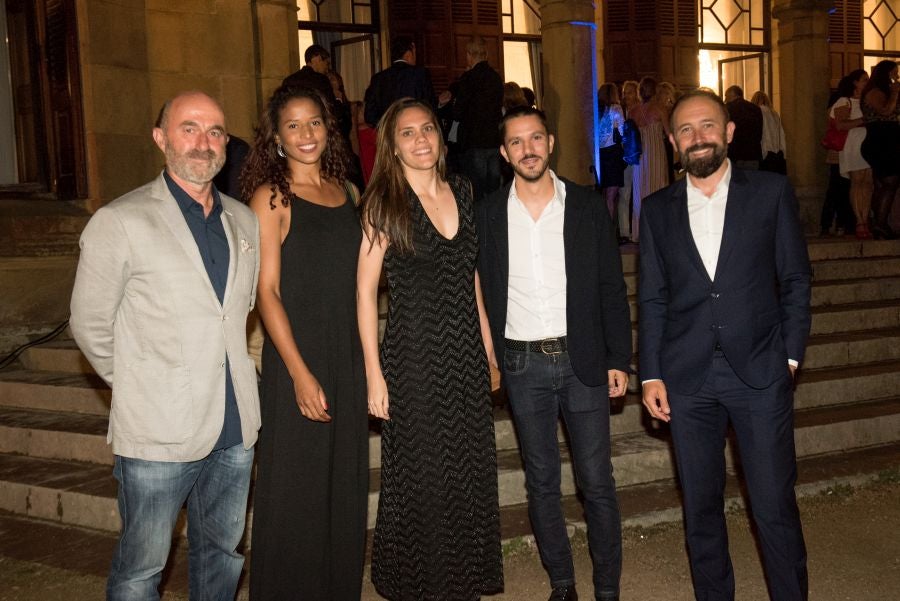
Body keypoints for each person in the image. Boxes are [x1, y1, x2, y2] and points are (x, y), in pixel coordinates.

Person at [69, 91, 261, 600]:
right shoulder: (120, 221)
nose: (204, 142)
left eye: (216, 131)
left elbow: (241, 317)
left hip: (235, 429)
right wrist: (144, 384)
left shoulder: (244, 221)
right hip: (156, 432)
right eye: (189, 128)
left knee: (222, 554)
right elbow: (89, 324)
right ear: (161, 138)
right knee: (141, 571)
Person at [640, 89, 811, 601]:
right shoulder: (656, 209)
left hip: (760, 373)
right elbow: (651, 297)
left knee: (774, 505)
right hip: (688, 379)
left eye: (708, 126)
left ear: (730, 132)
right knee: (701, 508)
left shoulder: (770, 193)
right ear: (672, 141)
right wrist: (651, 373)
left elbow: (797, 280)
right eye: (686, 130)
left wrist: (790, 355)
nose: (698, 138)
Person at [478, 106, 632, 601]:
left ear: (551, 143)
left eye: (536, 138)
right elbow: (475, 289)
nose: (529, 149)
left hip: (582, 360)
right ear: (505, 153)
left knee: (597, 482)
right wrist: (490, 357)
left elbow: (612, 286)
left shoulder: (587, 206)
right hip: (522, 364)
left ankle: (607, 588)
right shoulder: (487, 214)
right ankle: (562, 584)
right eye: (517, 142)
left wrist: (619, 358)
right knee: (541, 482)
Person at [357, 98, 503, 600]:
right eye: (407, 133)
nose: (420, 140)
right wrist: (374, 375)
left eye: (428, 130)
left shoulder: (462, 190)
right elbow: (363, 292)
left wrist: (487, 349)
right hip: (413, 357)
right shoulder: (384, 202)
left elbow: (472, 278)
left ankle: (462, 577)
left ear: (441, 138)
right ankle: (421, 581)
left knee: (468, 468)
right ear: (392, 147)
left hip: (463, 350)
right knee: (423, 474)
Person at [241, 85, 368, 600]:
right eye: (292, 126)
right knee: (296, 490)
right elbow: (265, 292)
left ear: (327, 127)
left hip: (347, 356)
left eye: (313, 122)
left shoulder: (347, 192)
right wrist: (297, 372)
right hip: (299, 357)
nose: (305, 134)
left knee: (343, 486)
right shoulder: (272, 197)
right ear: (276, 137)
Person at [443, 36, 504, 201]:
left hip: (474, 141)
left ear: (469, 54)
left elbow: (458, 112)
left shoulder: (468, 78)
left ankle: (479, 225)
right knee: (494, 192)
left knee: (475, 192)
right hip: (493, 140)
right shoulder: (496, 78)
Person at [828, 70, 872, 239]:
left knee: (868, 183)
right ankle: (859, 220)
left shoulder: (868, 101)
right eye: (864, 80)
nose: (867, 83)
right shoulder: (844, 101)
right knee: (857, 181)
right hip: (852, 145)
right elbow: (840, 125)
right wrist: (864, 120)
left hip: (868, 145)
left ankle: (865, 219)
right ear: (855, 82)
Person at [860, 59, 900, 239]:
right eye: (893, 73)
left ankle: (880, 223)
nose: (896, 77)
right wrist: (894, 93)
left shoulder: (886, 91)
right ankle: (880, 224)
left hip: (889, 140)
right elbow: (885, 111)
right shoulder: (874, 92)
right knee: (889, 182)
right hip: (880, 141)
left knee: (883, 184)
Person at [629, 76, 670, 242]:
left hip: (639, 156)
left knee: (640, 191)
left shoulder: (632, 111)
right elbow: (669, 133)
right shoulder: (660, 109)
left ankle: (640, 231)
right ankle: (659, 231)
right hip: (656, 153)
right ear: (655, 91)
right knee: (658, 188)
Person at [363, 35, 437, 127]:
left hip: (389, 135)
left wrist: (389, 127)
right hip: (413, 130)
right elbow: (430, 108)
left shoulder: (378, 78)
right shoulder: (420, 74)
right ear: (410, 52)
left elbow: (369, 116)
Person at [597, 82, 627, 221]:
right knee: (611, 195)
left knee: (603, 193)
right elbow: (621, 131)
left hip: (600, 154)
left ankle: (603, 226)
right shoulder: (616, 109)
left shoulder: (597, 110)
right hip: (613, 153)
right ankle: (609, 229)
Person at [724, 85, 763, 170]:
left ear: (732, 95)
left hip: (734, 155)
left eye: (726, 96)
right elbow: (759, 134)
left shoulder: (728, 109)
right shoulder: (755, 109)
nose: (725, 99)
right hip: (753, 154)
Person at [750, 91, 787, 175]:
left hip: (765, 151)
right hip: (777, 152)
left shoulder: (757, 111)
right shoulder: (775, 113)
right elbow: (781, 134)